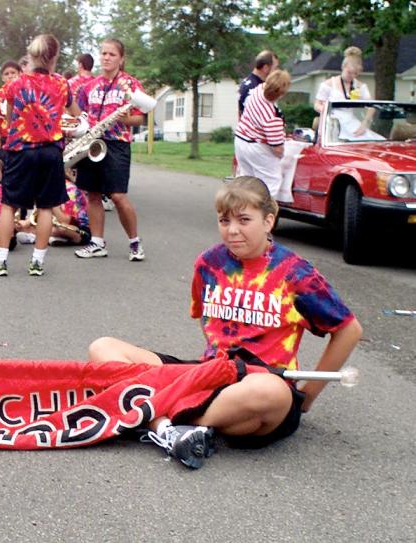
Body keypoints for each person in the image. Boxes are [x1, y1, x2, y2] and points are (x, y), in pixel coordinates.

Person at [88, 176, 363, 468]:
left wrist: (307, 396)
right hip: (208, 377)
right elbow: (205, 320)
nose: (232, 231)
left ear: (269, 221)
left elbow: (349, 330)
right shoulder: (209, 263)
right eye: (224, 221)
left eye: (244, 220)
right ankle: (169, 430)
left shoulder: (295, 273)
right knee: (103, 349)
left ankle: (158, 418)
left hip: (260, 387)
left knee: (270, 393)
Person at [0, 34, 70, 277]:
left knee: (8, 205)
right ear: (54, 57)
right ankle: (37, 263)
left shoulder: (16, 84)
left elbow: (11, 119)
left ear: (31, 56)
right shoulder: (62, 84)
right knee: (46, 207)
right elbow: (69, 112)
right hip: (50, 151)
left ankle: (0, 262)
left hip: (21, 150)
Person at [71, 38, 148, 262]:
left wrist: (126, 119)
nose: (106, 57)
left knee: (117, 196)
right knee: (92, 193)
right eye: (103, 53)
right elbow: (81, 114)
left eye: (111, 54)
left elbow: (139, 118)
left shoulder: (131, 85)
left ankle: (134, 242)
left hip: (116, 144)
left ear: (121, 58)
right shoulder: (89, 86)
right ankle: (97, 242)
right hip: (92, 142)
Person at [235, 70, 290, 199]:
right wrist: (282, 155)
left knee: (246, 181)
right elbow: (276, 148)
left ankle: (241, 210)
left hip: (241, 139)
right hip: (258, 147)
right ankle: (261, 215)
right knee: (270, 183)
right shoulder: (272, 116)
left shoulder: (257, 90)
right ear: (281, 93)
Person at [314, 46, 378, 140]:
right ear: (343, 67)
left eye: (355, 74)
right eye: (349, 72)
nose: (352, 76)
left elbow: (372, 107)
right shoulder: (329, 84)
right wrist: (324, 109)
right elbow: (317, 103)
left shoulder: (360, 86)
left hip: (351, 122)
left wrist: (365, 123)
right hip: (333, 122)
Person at [0, 61, 21, 159]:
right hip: (6, 138)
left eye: (13, 72)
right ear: (2, 78)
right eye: (6, 74)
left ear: (20, 74)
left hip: (24, 138)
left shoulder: (26, 92)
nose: (10, 76)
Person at [239, 50, 278, 117]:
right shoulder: (255, 89)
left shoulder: (247, 83)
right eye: (275, 68)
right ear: (265, 68)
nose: (276, 72)